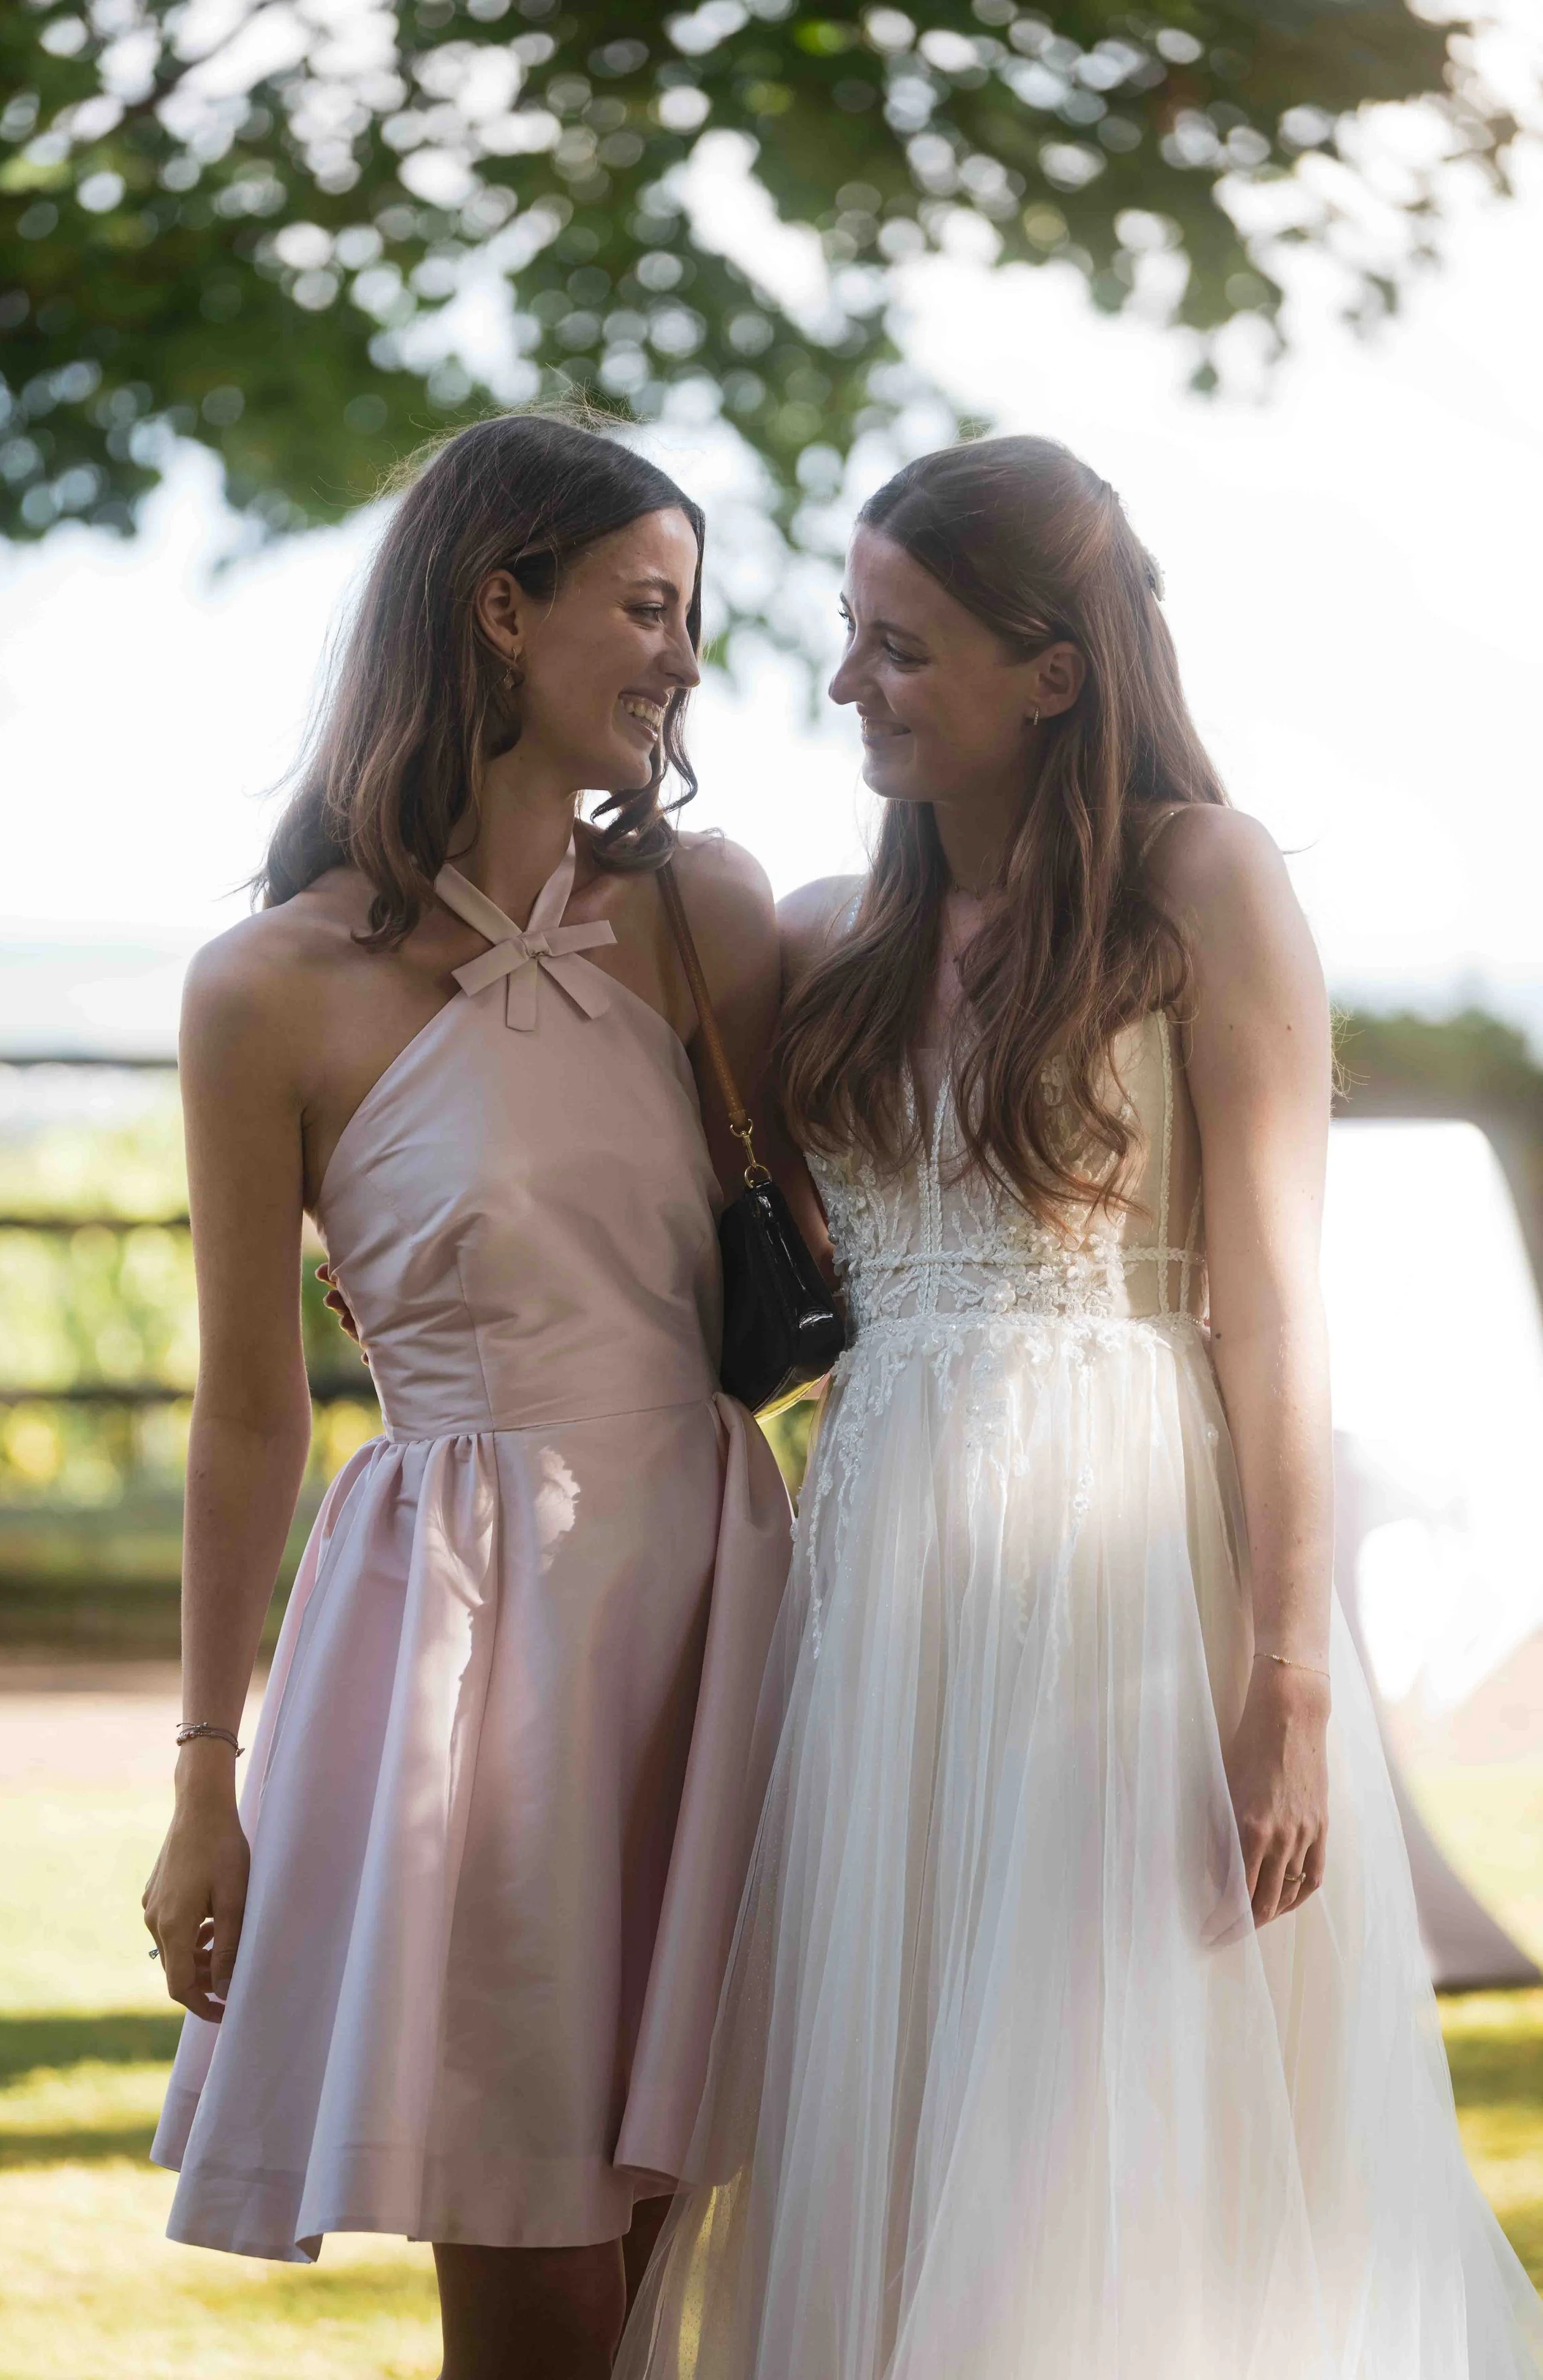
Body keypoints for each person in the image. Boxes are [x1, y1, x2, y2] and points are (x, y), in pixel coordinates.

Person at [616, 435, 1543, 2378]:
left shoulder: (1201, 881)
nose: (851, 682)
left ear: (1051, 671)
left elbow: (1279, 1303)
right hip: (884, 1569)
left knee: (1096, 2083)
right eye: (851, 640)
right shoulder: (818, 939)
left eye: (901, 646)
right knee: (894, 2069)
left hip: (1129, 1566)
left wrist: (1289, 1677)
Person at [142, 413, 792, 2380]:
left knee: (684, 2254)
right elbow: (251, 1408)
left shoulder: (710, 919)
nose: (682, 654)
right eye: (645, 605)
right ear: (500, 610)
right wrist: (202, 1779)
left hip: (710, 1600)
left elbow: (855, 1223)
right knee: (526, 2271)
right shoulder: (269, 985)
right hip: (462, 1637)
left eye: (693, 614)